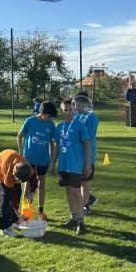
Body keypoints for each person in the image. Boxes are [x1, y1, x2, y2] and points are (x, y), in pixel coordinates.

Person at [52, 98, 91, 235]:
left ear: (74, 110)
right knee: (68, 191)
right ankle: (73, 217)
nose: (68, 112)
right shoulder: (59, 127)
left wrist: (87, 163)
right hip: (64, 165)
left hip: (76, 164)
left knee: (76, 191)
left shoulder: (79, 125)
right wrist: (52, 163)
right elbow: (57, 146)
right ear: (61, 111)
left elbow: (87, 144)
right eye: (65, 110)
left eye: (70, 110)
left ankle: (81, 222)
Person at [17, 100, 57, 220]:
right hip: (29, 159)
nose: (50, 119)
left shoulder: (51, 124)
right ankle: (25, 212)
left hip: (43, 160)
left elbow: (52, 142)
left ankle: (40, 211)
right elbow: (19, 135)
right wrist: (20, 154)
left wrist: (52, 161)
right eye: (48, 116)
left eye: (51, 117)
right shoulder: (30, 121)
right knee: (28, 185)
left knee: (41, 184)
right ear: (42, 112)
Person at [0, 149, 33, 237]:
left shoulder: (29, 169)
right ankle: (4, 228)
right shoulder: (8, 173)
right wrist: (18, 212)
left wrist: (32, 193)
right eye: (17, 181)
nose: (17, 183)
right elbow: (11, 193)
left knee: (18, 191)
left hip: (11, 163)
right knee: (5, 197)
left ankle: (13, 221)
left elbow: (34, 180)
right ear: (14, 176)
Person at [74, 93, 100, 215]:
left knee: (86, 181)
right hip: (76, 154)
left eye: (79, 105)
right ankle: (88, 199)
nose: (77, 107)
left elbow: (87, 136)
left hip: (88, 154)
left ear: (86, 104)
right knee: (77, 181)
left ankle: (85, 205)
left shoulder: (92, 117)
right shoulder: (76, 116)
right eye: (76, 104)